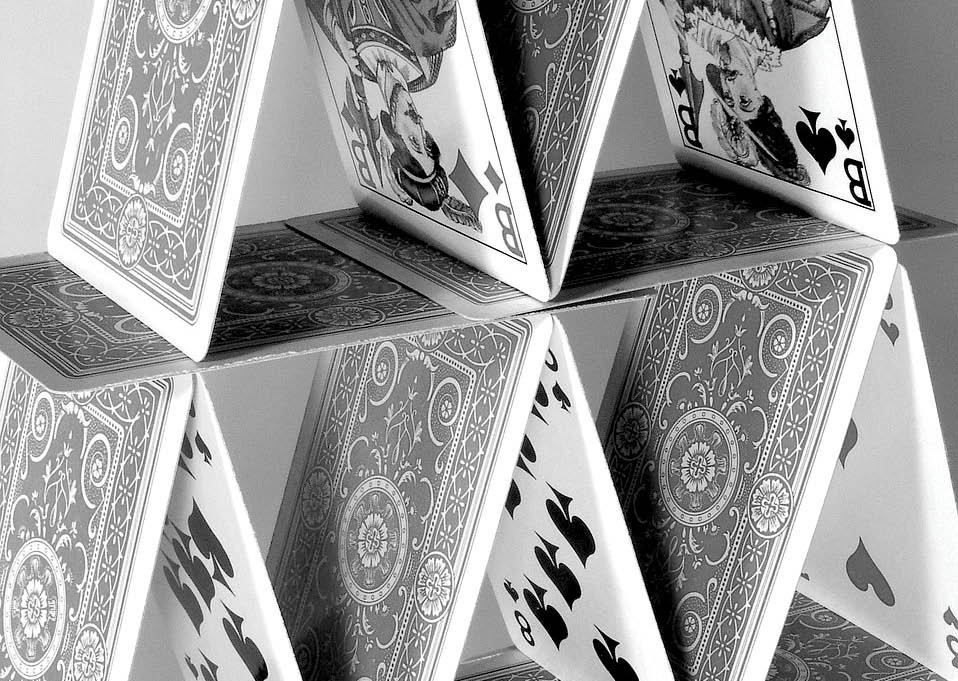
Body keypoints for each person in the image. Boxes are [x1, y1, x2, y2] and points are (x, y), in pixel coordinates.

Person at [306, 0, 479, 227]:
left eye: (415, 142)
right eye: (426, 142)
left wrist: (336, 32)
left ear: (395, 136)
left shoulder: (357, 61)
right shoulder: (428, 54)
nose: (419, 124)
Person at [661, 0, 832, 184]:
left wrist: (669, 3)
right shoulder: (789, 30)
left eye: (728, 98)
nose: (729, 85)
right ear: (759, 97)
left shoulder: (696, 27)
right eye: (744, 100)